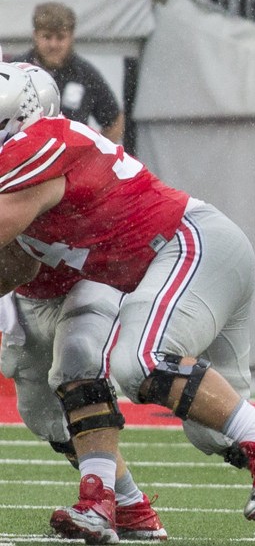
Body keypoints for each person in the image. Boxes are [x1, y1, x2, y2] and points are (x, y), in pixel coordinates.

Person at [0, 61, 255, 546]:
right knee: (216, 429)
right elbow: (17, 268)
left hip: (188, 243)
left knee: (140, 363)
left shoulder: (36, 144)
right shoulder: (35, 155)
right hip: (189, 255)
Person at [0, 63, 167, 542]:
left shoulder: (53, 149)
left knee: (77, 363)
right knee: (41, 413)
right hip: (35, 293)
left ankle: (98, 501)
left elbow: (18, 257)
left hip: (92, 275)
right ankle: (131, 505)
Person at [15, 2, 124, 144]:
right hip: (25, 159)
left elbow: (114, 120)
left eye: (60, 38)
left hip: (70, 162)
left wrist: (95, 157)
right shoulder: (17, 71)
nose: (53, 45)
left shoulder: (85, 74)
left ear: (71, 37)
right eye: (47, 37)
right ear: (35, 35)